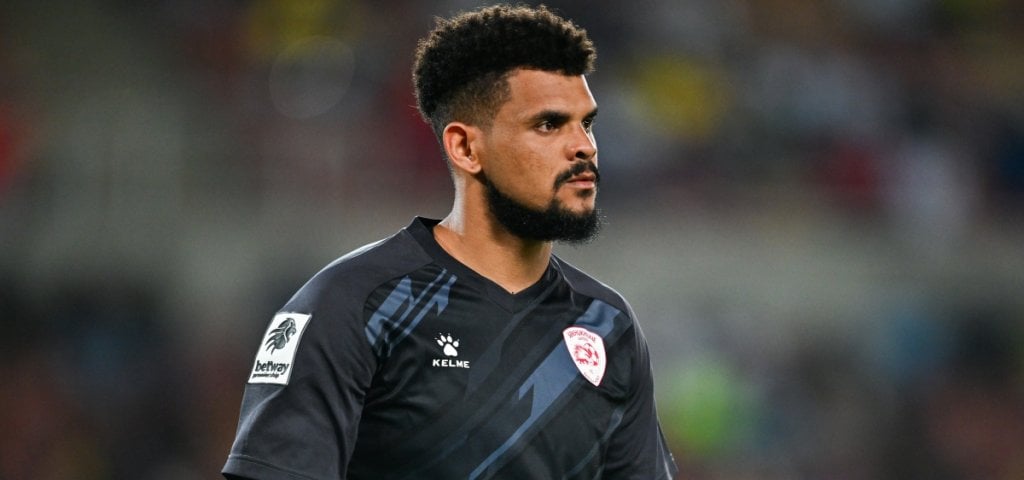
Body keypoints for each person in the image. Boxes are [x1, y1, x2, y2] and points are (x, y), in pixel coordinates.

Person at [222, 5, 677, 479]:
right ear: (465, 147)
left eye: (587, 123)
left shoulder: (608, 324)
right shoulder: (352, 305)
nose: (584, 146)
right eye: (548, 125)